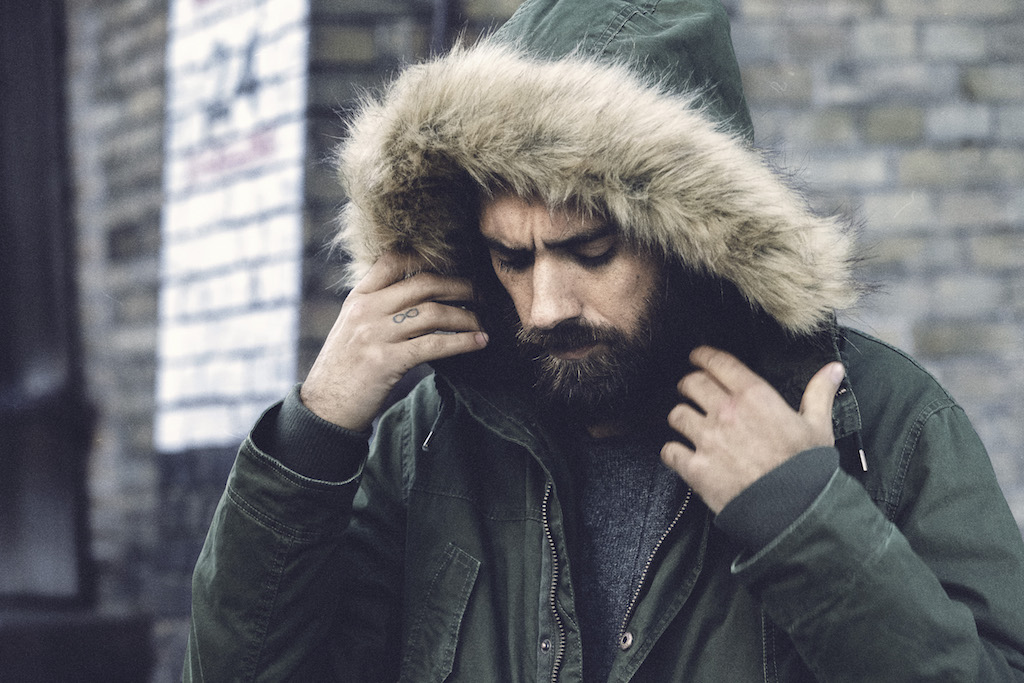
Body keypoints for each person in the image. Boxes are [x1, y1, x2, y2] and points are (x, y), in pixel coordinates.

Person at [184, 0, 1024, 680]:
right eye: (513, 259)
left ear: (692, 239)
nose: (547, 305)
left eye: (591, 250)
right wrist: (317, 429)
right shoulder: (430, 439)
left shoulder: (879, 420)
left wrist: (805, 520)